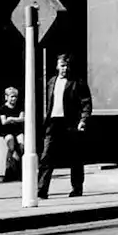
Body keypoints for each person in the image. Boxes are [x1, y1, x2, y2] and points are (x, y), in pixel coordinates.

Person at [37, 53, 93, 199]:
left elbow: (86, 103)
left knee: (75, 156)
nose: (64, 69)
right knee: (46, 156)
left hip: (70, 123)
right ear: (57, 66)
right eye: (62, 65)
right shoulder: (51, 82)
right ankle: (42, 189)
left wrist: (83, 120)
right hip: (53, 122)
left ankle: (77, 188)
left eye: (67, 66)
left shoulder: (77, 82)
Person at [0, 86, 25, 183]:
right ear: (6, 97)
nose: (14, 99)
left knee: (22, 145)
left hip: (17, 130)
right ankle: (9, 170)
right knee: (11, 144)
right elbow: (3, 122)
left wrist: (11, 119)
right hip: (7, 131)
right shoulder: (3, 108)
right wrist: (14, 119)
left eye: (15, 97)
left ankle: (21, 171)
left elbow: (23, 118)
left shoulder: (19, 107)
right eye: (11, 97)